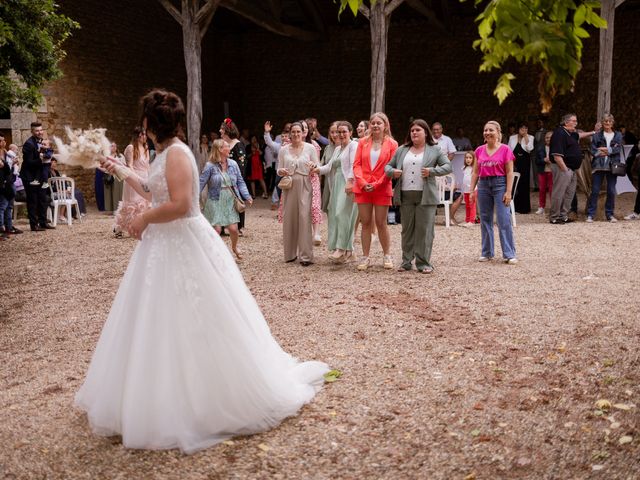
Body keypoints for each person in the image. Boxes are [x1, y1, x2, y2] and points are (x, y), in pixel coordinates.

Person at [77, 89, 328, 454]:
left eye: (144, 120)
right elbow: (151, 189)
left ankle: (205, 397)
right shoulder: (164, 154)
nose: (142, 127)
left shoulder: (177, 153)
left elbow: (180, 205)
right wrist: (117, 168)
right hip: (162, 246)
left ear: (151, 122)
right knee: (156, 319)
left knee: (197, 315)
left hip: (183, 242)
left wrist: (143, 218)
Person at [385, 119, 451, 273]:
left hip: (426, 196)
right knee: (407, 230)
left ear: (425, 133)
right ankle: (406, 262)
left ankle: (423, 263)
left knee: (424, 230)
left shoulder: (435, 150)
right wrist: (392, 172)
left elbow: (447, 166)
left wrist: (432, 171)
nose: (414, 132)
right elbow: (388, 166)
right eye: (412, 130)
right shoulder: (402, 150)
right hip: (405, 195)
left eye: (418, 130)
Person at [352, 112, 398, 271]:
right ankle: (365, 257)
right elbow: (356, 164)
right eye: (373, 123)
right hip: (363, 187)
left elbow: (391, 167)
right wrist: (363, 182)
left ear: (385, 125)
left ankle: (387, 255)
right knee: (365, 223)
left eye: (379, 123)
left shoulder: (392, 144)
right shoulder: (362, 142)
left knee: (381, 223)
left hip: (382, 187)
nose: (376, 125)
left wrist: (378, 183)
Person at [469, 121, 517, 264]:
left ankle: (509, 254)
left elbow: (510, 172)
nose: (487, 133)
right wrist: (472, 190)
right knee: (485, 219)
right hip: (483, 185)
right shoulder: (479, 150)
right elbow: (475, 172)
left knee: (503, 219)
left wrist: (508, 192)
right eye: (485, 130)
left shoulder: (506, 149)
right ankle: (487, 252)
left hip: (500, 184)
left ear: (498, 132)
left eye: (491, 130)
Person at [313, 121, 359, 263]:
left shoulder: (353, 146)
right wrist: (317, 169)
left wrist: (350, 182)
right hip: (336, 184)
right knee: (334, 214)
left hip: (347, 184)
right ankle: (349, 251)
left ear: (351, 132)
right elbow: (329, 166)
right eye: (339, 132)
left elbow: (353, 165)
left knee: (342, 214)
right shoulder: (338, 148)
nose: (341, 134)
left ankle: (341, 247)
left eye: (344, 131)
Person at [199, 139, 252, 259]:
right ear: (220, 150)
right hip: (214, 200)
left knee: (233, 229)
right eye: (227, 146)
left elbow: (240, 181)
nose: (230, 148)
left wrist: (247, 196)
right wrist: (193, 199)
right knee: (216, 230)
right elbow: (201, 183)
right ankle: (214, 255)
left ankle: (234, 247)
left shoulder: (233, 164)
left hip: (229, 200)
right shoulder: (210, 166)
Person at [277, 122, 319, 266]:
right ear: (290, 134)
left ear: (303, 133)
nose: (295, 134)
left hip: (305, 184)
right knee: (289, 218)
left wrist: (313, 167)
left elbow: (317, 166)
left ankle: (306, 256)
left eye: (298, 132)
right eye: (293, 132)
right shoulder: (283, 150)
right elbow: (278, 168)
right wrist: (281, 171)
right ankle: (289, 254)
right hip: (289, 185)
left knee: (303, 217)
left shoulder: (310, 148)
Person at [549, 113, 599, 224]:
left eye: (576, 121)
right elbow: (557, 156)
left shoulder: (571, 134)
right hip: (562, 168)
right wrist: (565, 169)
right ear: (566, 122)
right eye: (574, 121)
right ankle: (554, 217)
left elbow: (580, 135)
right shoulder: (559, 134)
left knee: (569, 194)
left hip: (572, 169)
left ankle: (563, 215)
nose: (576, 123)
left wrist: (594, 132)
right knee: (559, 193)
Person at [587, 114, 623, 223]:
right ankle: (590, 214)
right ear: (602, 123)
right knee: (595, 191)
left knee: (611, 191)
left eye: (609, 121)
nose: (607, 123)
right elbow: (592, 149)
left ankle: (610, 214)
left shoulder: (618, 135)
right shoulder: (597, 135)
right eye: (605, 121)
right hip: (598, 166)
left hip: (612, 166)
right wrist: (601, 152)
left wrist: (607, 150)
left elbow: (618, 148)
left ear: (613, 123)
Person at [114, 127, 150, 236]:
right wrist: (136, 179)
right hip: (133, 177)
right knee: (131, 203)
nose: (145, 137)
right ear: (138, 135)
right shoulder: (131, 147)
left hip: (145, 176)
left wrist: (149, 178)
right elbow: (129, 165)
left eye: (145, 134)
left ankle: (140, 227)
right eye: (143, 134)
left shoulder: (146, 148)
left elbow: (147, 165)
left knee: (143, 203)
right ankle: (119, 228)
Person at [21, 122, 53, 231]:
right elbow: (29, 162)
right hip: (30, 176)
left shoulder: (42, 142)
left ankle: (43, 223)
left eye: (41, 130)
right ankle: (34, 225)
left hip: (40, 176)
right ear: (32, 131)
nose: (40, 132)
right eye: (37, 130)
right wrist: (41, 159)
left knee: (42, 199)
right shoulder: (28, 144)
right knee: (33, 201)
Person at [220, 118, 247, 235]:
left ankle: (239, 227)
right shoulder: (224, 145)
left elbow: (242, 164)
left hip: (234, 180)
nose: (220, 131)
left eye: (222, 129)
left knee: (237, 202)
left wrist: (234, 179)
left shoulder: (238, 145)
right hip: (222, 179)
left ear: (227, 131)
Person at [508, 122, 534, 214]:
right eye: (522, 128)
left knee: (524, 184)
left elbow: (530, 149)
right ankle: (513, 207)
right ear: (518, 129)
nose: (524, 130)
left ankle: (524, 208)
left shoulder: (531, 137)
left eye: (526, 129)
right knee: (514, 184)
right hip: (514, 164)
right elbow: (509, 151)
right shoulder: (512, 138)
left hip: (525, 164)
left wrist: (526, 137)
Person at [450, 151, 477, 226]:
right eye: (466, 158)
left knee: (472, 205)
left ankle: (472, 221)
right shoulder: (464, 168)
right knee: (467, 205)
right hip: (465, 190)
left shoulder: (474, 169)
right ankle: (467, 220)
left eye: (470, 158)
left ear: (474, 159)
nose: (468, 159)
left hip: (473, 190)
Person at [319, 122, 339, 215]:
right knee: (330, 212)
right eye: (332, 132)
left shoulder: (349, 146)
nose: (334, 135)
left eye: (337, 132)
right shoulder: (328, 148)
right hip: (329, 182)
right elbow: (321, 165)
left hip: (341, 183)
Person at [534, 131, 553, 215]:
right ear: (544, 139)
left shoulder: (557, 147)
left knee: (552, 190)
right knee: (542, 190)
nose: (548, 139)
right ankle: (541, 207)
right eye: (547, 137)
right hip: (542, 171)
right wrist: (543, 160)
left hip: (553, 171)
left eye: (550, 137)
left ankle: (553, 207)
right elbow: (536, 161)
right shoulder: (540, 148)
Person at [103, 143, 125, 213]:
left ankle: (118, 209)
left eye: (115, 146)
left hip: (118, 176)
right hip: (109, 175)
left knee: (118, 193)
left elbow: (124, 165)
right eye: (112, 146)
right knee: (109, 193)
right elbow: (103, 166)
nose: (114, 147)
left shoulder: (120, 156)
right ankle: (110, 209)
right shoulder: (106, 157)